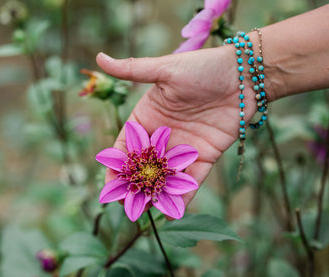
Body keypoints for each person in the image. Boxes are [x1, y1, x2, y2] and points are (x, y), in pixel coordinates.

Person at [96, 4, 329, 219]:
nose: (147, 172)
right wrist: (244, 72)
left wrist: (244, 73)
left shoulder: (164, 161)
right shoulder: (141, 176)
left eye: (146, 170)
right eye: (147, 172)